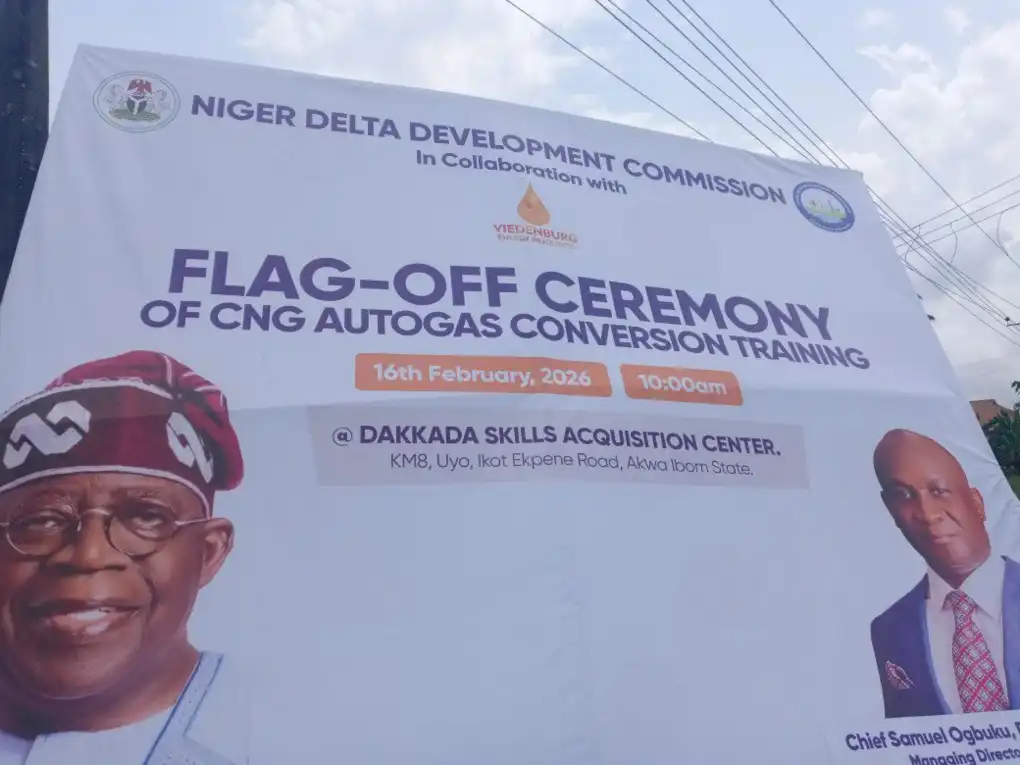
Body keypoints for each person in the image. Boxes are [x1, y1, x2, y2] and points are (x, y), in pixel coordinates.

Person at [0, 350, 249, 764]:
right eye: (42, 520)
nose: (89, 554)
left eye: (145, 517)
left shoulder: (293, 732)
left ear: (207, 553)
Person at [870, 428, 1020, 719]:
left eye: (939, 491)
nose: (927, 514)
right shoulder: (889, 630)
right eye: (904, 495)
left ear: (977, 503)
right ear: (890, 510)